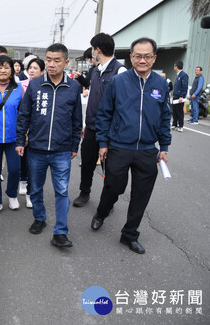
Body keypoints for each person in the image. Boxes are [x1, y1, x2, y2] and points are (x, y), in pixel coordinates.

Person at [90, 37, 172, 255]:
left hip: (147, 149)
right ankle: (101, 212)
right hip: (119, 146)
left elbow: (165, 117)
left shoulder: (161, 84)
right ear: (131, 57)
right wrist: (103, 142)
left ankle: (129, 234)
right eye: (137, 56)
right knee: (114, 186)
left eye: (147, 56)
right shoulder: (119, 81)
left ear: (154, 58)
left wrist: (164, 147)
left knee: (141, 194)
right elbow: (105, 114)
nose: (142, 60)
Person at [16, 43, 82, 248]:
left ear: (66, 62)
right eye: (49, 60)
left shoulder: (73, 87)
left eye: (57, 60)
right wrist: (20, 140)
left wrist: (74, 145)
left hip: (61, 150)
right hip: (36, 148)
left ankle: (61, 231)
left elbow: (77, 119)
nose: (52, 64)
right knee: (35, 188)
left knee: (62, 190)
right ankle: (39, 218)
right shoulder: (35, 85)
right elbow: (24, 115)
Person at [72, 33, 126, 208]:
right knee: (87, 162)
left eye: (93, 49)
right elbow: (94, 98)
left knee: (109, 169)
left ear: (98, 49)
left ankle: (107, 202)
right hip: (92, 127)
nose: (93, 52)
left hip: (110, 131)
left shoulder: (120, 71)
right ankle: (84, 192)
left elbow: (122, 105)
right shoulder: (96, 70)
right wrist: (87, 124)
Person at [0, 55, 23, 215]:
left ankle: (11, 194)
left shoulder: (19, 89)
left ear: (12, 70)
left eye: (6, 67)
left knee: (15, 169)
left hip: (14, 137)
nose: (3, 70)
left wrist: (25, 134)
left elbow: (24, 114)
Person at [18, 58, 45, 209]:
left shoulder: (45, 87)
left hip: (39, 132)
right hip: (26, 129)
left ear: (42, 71)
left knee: (35, 165)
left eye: (36, 68)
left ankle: (31, 192)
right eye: (30, 68)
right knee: (24, 158)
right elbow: (22, 111)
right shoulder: (21, 85)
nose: (32, 70)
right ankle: (23, 181)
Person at [172, 60, 188, 132]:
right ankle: (174, 124)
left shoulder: (184, 75)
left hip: (180, 96)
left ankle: (180, 126)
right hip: (175, 95)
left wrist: (182, 95)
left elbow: (185, 86)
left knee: (179, 111)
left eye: (174, 66)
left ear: (176, 66)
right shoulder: (178, 75)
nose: (174, 67)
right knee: (174, 110)